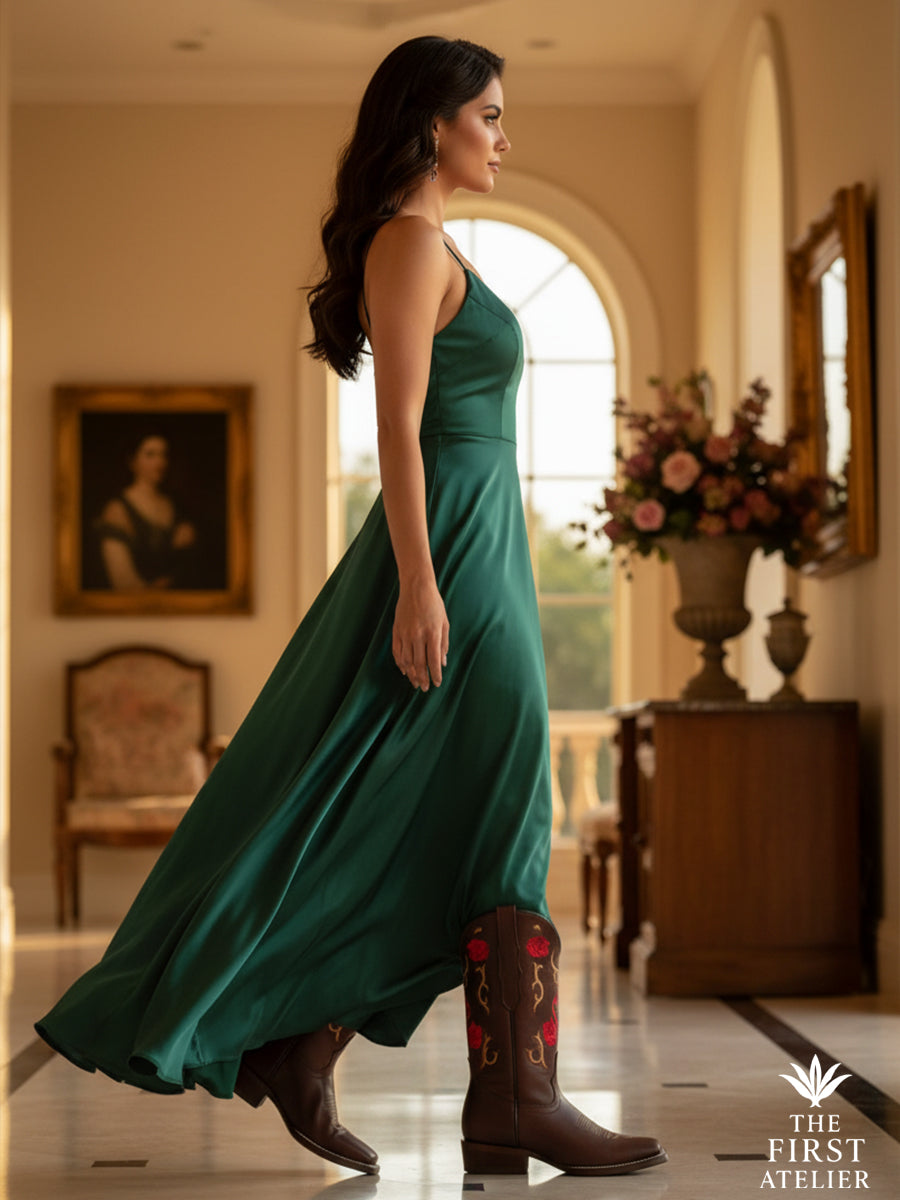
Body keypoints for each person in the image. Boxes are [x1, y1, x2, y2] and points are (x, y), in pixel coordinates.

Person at [36, 36, 667, 1179]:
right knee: (492, 808)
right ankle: (497, 1096)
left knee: (479, 814)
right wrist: (421, 586)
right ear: (431, 125)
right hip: (453, 560)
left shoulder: (429, 244)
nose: (505, 135)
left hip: (483, 550)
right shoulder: (411, 243)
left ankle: (345, 1056)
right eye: (489, 113)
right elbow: (398, 430)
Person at [92, 433, 197, 589]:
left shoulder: (174, 504)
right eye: (150, 454)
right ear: (132, 462)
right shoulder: (117, 510)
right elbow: (123, 582)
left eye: (163, 455)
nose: (160, 462)